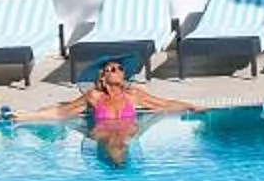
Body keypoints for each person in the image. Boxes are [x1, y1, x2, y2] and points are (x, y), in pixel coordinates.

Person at [43, 58, 194, 163]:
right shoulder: (95, 96)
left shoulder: (132, 95)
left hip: (126, 133)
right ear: (103, 77)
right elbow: (63, 111)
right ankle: (117, 166)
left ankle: (118, 166)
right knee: (114, 143)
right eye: (112, 69)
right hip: (103, 134)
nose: (118, 71)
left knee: (119, 144)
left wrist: (192, 106)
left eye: (120, 69)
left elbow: (164, 104)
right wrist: (30, 116)